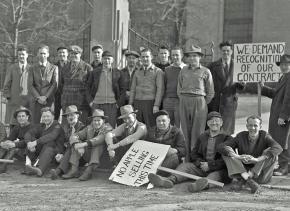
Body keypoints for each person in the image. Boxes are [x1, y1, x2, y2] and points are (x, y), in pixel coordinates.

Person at [148, 112, 231, 193]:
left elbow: (227, 159)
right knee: (185, 166)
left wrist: (210, 165)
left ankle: (200, 186)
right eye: (211, 121)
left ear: (221, 123)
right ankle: (169, 180)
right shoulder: (202, 136)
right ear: (207, 123)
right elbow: (194, 154)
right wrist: (201, 163)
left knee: (214, 176)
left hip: (218, 169)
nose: (214, 123)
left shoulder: (228, 138)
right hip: (201, 167)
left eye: (217, 120)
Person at [218, 115, 283, 194]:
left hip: (260, 175)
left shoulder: (265, 136)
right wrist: (238, 157)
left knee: (271, 152)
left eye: (255, 125)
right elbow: (221, 146)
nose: (252, 128)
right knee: (226, 153)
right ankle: (248, 180)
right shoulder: (241, 136)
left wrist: (257, 159)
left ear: (260, 126)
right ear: (246, 126)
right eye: (250, 125)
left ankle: (246, 178)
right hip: (243, 171)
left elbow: (278, 148)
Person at [177, 45, 214, 161]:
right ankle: (187, 158)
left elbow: (210, 91)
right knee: (185, 131)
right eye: (190, 56)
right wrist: (184, 99)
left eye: (195, 56)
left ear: (199, 58)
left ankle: (197, 159)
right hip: (184, 100)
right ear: (187, 58)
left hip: (199, 102)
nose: (192, 58)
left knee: (197, 132)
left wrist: (202, 103)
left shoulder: (205, 71)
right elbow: (179, 88)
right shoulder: (183, 70)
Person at [62, 109, 112, 181]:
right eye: (94, 120)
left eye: (98, 120)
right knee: (76, 145)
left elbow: (99, 139)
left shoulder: (108, 128)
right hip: (90, 156)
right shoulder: (89, 128)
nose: (96, 122)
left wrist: (82, 145)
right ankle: (74, 170)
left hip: (104, 159)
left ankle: (88, 171)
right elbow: (75, 135)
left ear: (103, 121)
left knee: (98, 145)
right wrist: (77, 144)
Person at [208, 41, 245, 135]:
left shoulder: (238, 66)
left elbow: (241, 88)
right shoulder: (212, 66)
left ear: (232, 52)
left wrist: (243, 84)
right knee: (215, 128)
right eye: (223, 51)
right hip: (216, 102)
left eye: (228, 51)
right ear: (220, 52)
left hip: (229, 102)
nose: (225, 53)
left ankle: (225, 147)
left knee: (227, 131)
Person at [261, 54, 290, 176]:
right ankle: (285, 166)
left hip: (283, 116)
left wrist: (283, 115)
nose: (284, 66)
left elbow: (289, 98)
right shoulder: (283, 77)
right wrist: (262, 88)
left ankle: (284, 166)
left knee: (283, 141)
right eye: (282, 64)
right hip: (278, 114)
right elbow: (276, 94)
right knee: (281, 139)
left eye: (287, 64)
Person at [87, 50, 126, 128]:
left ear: (112, 60)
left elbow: (123, 90)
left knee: (110, 127)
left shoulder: (118, 73)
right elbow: (87, 87)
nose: (106, 61)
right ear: (102, 60)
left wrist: (118, 104)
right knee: (96, 126)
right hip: (96, 104)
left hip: (112, 105)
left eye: (108, 58)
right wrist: (90, 101)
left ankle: (108, 140)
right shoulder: (94, 72)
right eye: (104, 58)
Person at [24, 107, 65, 177]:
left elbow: (52, 136)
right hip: (44, 150)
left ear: (53, 116)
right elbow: (29, 133)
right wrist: (29, 143)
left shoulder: (57, 126)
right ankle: (28, 166)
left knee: (49, 144)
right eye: (44, 116)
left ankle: (40, 170)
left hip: (56, 152)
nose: (46, 118)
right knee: (31, 141)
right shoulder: (42, 126)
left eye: (48, 116)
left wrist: (36, 142)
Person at [129, 48, 164, 127]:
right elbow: (133, 89)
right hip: (137, 103)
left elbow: (160, 90)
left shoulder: (158, 71)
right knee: (137, 126)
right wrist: (130, 104)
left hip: (150, 103)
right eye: (143, 57)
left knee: (150, 126)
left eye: (147, 57)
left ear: (151, 57)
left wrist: (156, 105)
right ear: (140, 58)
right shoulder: (137, 72)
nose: (145, 59)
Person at [50, 105, 85, 179]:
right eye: (68, 116)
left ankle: (58, 171)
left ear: (77, 115)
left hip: (80, 156)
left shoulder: (82, 127)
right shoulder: (65, 127)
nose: (70, 117)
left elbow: (80, 143)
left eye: (72, 115)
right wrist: (60, 153)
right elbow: (61, 142)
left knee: (72, 145)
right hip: (67, 155)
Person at [61, 45, 92, 123]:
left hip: (81, 104)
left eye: (76, 53)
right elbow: (61, 85)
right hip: (67, 103)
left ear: (80, 54)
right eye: (71, 53)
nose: (73, 55)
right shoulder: (65, 68)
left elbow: (91, 87)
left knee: (80, 128)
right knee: (67, 127)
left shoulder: (87, 68)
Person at [3, 46, 32, 125]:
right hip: (14, 99)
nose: (21, 56)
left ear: (27, 55)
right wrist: (7, 96)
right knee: (13, 122)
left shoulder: (32, 68)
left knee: (26, 122)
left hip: (27, 100)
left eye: (23, 54)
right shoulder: (12, 68)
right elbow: (7, 83)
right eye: (19, 54)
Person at [29, 45, 57, 124]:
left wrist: (45, 97)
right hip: (36, 101)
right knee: (35, 123)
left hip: (48, 101)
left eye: (44, 53)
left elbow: (54, 84)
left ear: (48, 54)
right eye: (41, 53)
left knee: (48, 123)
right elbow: (30, 85)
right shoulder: (31, 68)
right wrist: (38, 98)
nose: (42, 55)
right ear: (37, 54)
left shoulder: (54, 67)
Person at [0, 107, 33, 173]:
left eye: (23, 116)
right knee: (4, 146)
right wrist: (5, 143)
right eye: (19, 116)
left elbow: (27, 142)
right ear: (17, 118)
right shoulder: (17, 127)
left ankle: (2, 167)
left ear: (27, 117)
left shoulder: (32, 127)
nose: (21, 118)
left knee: (13, 148)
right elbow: (10, 138)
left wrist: (14, 144)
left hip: (28, 152)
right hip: (17, 149)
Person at [163, 47, 186, 126]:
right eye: (173, 55)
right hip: (167, 101)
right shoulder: (167, 69)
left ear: (182, 55)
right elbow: (164, 85)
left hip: (180, 101)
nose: (175, 57)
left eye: (177, 55)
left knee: (179, 125)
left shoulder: (186, 69)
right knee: (167, 124)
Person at [54, 46, 69, 121]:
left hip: (68, 94)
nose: (62, 54)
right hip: (56, 95)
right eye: (60, 52)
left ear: (67, 54)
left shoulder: (71, 65)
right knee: (55, 116)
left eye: (63, 52)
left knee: (67, 116)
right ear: (57, 54)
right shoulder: (54, 66)